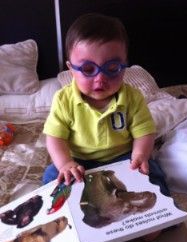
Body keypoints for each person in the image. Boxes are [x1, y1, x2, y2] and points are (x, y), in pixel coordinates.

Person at [43, 13, 169, 197]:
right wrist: (65, 163)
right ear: (71, 69)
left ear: (124, 66)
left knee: (154, 172)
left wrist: (140, 154)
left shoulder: (133, 98)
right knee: (52, 175)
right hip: (79, 160)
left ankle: (158, 216)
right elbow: (55, 138)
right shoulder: (63, 100)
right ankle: (63, 215)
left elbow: (144, 131)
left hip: (124, 157)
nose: (100, 78)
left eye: (112, 69)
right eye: (88, 69)